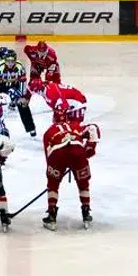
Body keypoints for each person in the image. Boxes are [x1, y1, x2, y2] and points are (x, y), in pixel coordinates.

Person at [41, 98, 101, 231]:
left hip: (58, 153)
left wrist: (54, 174)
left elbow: (48, 155)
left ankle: (51, 215)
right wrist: (89, 149)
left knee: (53, 184)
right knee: (83, 183)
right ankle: (86, 213)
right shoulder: (75, 126)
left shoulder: (49, 131)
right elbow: (93, 128)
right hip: (78, 151)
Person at [0, 51, 36, 137]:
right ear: (5, 60)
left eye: (12, 61)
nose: (10, 63)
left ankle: (31, 128)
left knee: (23, 105)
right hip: (2, 87)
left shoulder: (20, 67)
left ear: (15, 60)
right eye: (8, 61)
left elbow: (23, 84)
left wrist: (22, 97)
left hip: (15, 86)